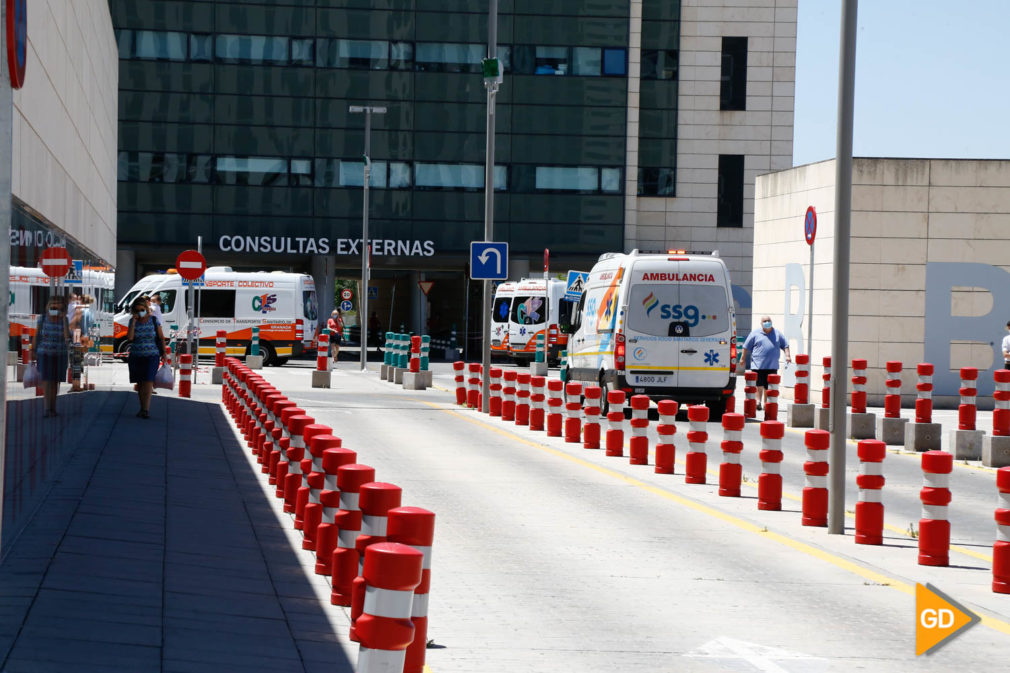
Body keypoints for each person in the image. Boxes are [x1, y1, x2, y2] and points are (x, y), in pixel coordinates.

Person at [739, 315, 791, 410]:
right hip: (758, 365)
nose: (767, 322)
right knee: (759, 384)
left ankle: (766, 403)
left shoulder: (777, 333)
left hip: (772, 365)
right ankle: (758, 401)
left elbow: (785, 345)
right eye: (765, 321)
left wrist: (788, 356)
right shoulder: (755, 333)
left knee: (769, 386)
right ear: (761, 323)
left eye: (768, 320)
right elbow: (745, 346)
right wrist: (742, 358)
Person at [127, 296, 166, 418]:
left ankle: (145, 410)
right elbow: (130, 338)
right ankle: (142, 407)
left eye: (142, 309)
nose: (140, 312)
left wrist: (164, 352)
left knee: (148, 381)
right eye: (137, 310)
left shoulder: (154, 320)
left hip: (152, 355)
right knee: (140, 383)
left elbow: (161, 337)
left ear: (146, 308)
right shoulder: (132, 321)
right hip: (136, 355)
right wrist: (133, 322)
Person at [32, 296, 70, 417]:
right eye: (52, 303)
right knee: (47, 381)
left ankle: (53, 408)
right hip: (44, 353)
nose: (55, 305)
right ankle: (47, 408)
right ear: (48, 305)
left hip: (60, 354)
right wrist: (33, 350)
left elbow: (66, 337)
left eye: (58, 303)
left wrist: (63, 318)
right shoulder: (42, 318)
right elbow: (37, 334)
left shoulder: (64, 319)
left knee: (55, 382)